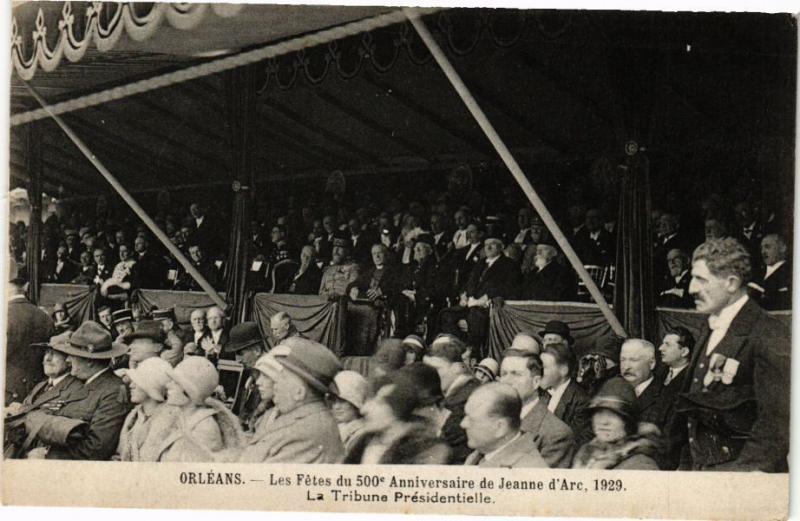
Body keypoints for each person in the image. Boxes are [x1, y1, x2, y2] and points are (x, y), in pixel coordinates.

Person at [680, 238, 789, 472]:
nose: (691, 289)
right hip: (700, 473)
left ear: (731, 283)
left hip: (741, 480)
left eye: (701, 279)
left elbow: (778, 423)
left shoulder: (768, 333)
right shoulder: (709, 327)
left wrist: (737, 478)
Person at [18, 321, 130, 460]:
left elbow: (96, 448)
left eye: (73, 355)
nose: (69, 360)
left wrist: (48, 455)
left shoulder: (114, 390)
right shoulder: (89, 383)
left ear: (89, 360)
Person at [237, 337, 343, 463]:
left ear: (299, 392)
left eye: (280, 380)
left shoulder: (303, 432)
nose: (274, 386)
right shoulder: (299, 419)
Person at [344, 363, 450, 465]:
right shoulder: (364, 441)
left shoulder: (428, 451)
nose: (364, 409)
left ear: (399, 410)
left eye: (380, 402)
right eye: (370, 399)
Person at [142, 356, 242, 462]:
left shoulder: (205, 428)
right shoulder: (180, 420)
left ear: (189, 392)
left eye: (176, 383)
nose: (168, 385)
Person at [4, 331, 83, 458]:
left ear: (69, 359)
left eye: (55, 353)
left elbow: (68, 434)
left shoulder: (77, 389)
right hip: (17, 448)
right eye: (46, 352)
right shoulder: (41, 385)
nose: (47, 359)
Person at [439, 236, 519, 351]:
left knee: (475, 317)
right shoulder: (480, 263)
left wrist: (488, 297)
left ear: (501, 247)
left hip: (486, 307)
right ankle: (460, 346)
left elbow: (510, 288)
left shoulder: (509, 265)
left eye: (493, 244)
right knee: (446, 315)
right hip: (470, 304)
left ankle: (473, 351)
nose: (488, 247)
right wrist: (464, 294)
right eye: (486, 245)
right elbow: (469, 282)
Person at [499, 350, 575, 468]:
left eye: (516, 374)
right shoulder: (495, 422)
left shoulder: (556, 435)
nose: (507, 381)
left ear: (536, 382)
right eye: (504, 374)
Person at [572, 377, 660, 470]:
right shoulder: (585, 455)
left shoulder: (641, 466)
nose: (604, 422)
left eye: (613, 415)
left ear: (627, 422)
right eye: (599, 413)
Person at [422, 335, 480, 463]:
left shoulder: (466, 399)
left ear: (456, 368)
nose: (430, 376)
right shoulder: (457, 392)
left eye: (437, 369)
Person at [462, 383, 548, 468]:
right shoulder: (481, 454)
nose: (463, 424)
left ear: (500, 428)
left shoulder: (526, 470)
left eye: (472, 419)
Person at [5, 260, 55, 406]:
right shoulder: (45, 317)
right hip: (37, 392)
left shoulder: (4, 315)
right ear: (27, 286)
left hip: (6, 391)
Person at [116, 357, 173, 461]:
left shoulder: (166, 421)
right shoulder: (135, 415)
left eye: (137, 383)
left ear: (150, 387)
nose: (131, 386)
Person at [540, 341, 592, 445]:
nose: (538, 372)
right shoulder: (543, 394)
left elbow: (577, 442)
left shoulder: (581, 401)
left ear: (563, 370)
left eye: (544, 368)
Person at [657, 327, 694, 470]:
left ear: (684, 352)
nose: (661, 348)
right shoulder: (661, 373)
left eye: (667, 345)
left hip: (673, 456)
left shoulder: (690, 381)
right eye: (662, 343)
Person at [221, 322, 269, 431]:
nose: (238, 360)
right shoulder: (252, 372)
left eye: (240, 353)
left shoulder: (270, 375)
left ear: (257, 350)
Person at [619, 339, 661, 427]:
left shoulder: (666, 397)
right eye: (623, 360)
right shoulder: (613, 392)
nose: (626, 367)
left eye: (633, 360)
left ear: (651, 363)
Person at [749, 233, 791, 310]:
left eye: (767, 247)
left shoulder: (790, 274)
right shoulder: (756, 274)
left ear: (782, 248)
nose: (763, 252)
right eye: (761, 248)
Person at [331, 370, 369, 451]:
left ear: (355, 403)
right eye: (334, 400)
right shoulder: (336, 426)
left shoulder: (361, 434)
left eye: (343, 401)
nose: (336, 407)